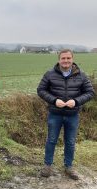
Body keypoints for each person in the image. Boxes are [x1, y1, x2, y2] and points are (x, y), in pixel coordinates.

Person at [37, 49, 95, 180]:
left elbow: (90, 92)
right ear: (59, 60)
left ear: (72, 59)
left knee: (70, 142)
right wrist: (53, 100)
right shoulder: (50, 74)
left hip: (72, 115)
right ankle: (47, 165)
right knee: (51, 140)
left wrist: (76, 101)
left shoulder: (81, 75)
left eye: (68, 58)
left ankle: (68, 166)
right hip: (55, 114)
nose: (66, 61)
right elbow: (40, 90)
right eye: (63, 58)